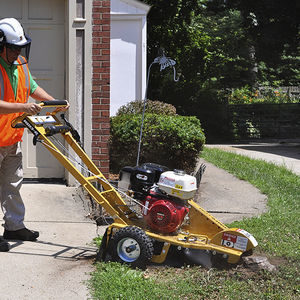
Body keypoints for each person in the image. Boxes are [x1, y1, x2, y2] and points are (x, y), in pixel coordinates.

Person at [0, 18, 69, 251]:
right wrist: (24, 108)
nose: (17, 52)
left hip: (11, 137)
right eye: (12, 48)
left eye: (20, 48)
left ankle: (14, 226)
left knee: (12, 184)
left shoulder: (20, 63)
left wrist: (53, 102)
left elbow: (31, 87)